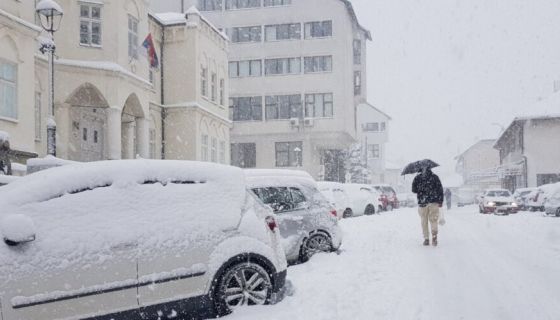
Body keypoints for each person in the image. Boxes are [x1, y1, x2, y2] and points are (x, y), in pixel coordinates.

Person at [412, 167, 443, 246]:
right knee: (433, 220)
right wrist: (440, 201)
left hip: (422, 202)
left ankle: (426, 239)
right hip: (434, 202)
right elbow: (440, 189)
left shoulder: (417, 178)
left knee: (424, 221)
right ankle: (434, 236)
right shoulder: (435, 177)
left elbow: (413, 190)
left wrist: (419, 187)